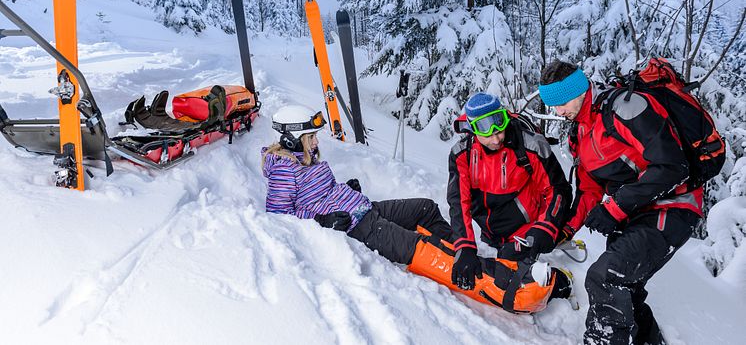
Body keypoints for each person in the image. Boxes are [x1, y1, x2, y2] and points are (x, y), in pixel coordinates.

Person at [262, 104, 573, 314]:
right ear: (290, 139)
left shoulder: (307, 160)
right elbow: (279, 216)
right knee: (424, 249)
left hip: (364, 208)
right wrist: (323, 218)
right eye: (310, 137)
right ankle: (522, 287)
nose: (316, 142)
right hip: (358, 226)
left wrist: (343, 190)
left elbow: (317, 193)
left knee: (425, 209)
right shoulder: (283, 170)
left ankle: (462, 253)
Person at [538, 60, 703, 345]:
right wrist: (562, 232)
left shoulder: (624, 108)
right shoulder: (580, 133)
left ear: (579, 90)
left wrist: (614, 207)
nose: (558, 111)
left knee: (605, 277)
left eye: (562, 101)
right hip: (632, 216)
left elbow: (672, 167)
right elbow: (589, 191)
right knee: (628, 291)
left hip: (672, 207)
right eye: (552, 104)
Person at [447, 92, 573, 291]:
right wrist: (464, 246)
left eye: (500, 127)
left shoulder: (531, 145)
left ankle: (560, 280)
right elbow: (458, 202)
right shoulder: (462, 154)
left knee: (511, 277)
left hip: (526, 230)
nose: (496, 138)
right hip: (490, 232)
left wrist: (545, 228)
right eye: (487, 132)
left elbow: (558, 190)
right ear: (472, 129)